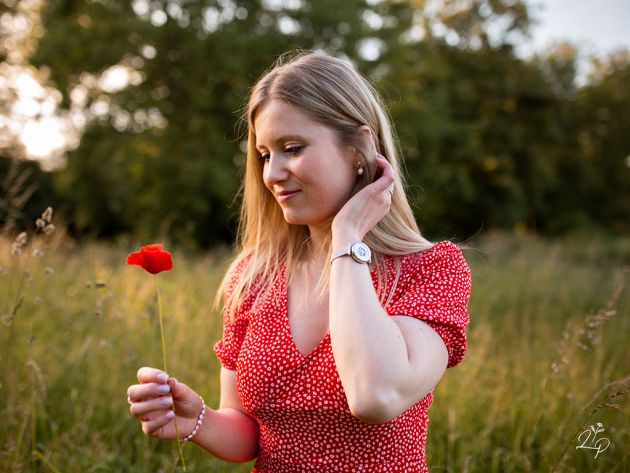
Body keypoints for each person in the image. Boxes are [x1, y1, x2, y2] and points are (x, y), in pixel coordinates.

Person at [126, 51, 471, 472]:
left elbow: (376, 396)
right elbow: (251, 436)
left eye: (292, 148)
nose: (272, 173)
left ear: (359, 149)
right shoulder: (253, 277)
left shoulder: (431, 270)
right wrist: (199, 421)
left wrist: (347, 238)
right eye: (265, 154)